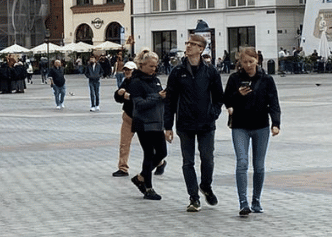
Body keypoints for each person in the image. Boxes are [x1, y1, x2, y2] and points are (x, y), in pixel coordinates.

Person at [163, 32, 224, 212]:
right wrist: (168, 126)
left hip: (206, 123)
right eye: (187, 43)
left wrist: (213, 113)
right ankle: (194, 198)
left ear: (201, 49)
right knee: (187, 162)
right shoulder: (177, 72)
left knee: (207, 159)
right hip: (185, 123)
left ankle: (205, 185)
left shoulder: (211, 71)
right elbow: (170, 100)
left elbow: (219, 97)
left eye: (192, 44)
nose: (188, 46)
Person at [224, 47, 280, 216]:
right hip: (240, 125)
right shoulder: (235, 78)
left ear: (257, 60)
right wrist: (237, 95)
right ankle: (243, 202)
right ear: (239, 62)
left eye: (251, 61)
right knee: (242, 162)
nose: (248, 65)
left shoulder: (266, 79)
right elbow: (225, 98)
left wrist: (276, 123)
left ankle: (256, 200)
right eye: (244, 62)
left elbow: (274, 102)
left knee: (259, 165)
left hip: (261, 125)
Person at [118, 49, 167, 200]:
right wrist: (158, 97)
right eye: (151, 66)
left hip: (157, 122)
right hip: (143, 123)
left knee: (162, 153)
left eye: (155, 66)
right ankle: (148, 188)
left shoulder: (156, 80)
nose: (154, 69)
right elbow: (138, 104)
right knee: (149, 154)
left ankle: (141, 177)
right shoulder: (135, 82)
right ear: (142, 65)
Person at [113, 60, 137, 177]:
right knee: (124, 143)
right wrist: (119, 93)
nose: (127, 72)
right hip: (128, 116)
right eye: (126, 70)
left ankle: (159, 163)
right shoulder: (125, 82)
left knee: (149, 144)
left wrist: (129, 96)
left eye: (129, 70)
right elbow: (118, 99)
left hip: (141, 117)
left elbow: (144, 97)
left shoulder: (140, 81)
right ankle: (123, 168)